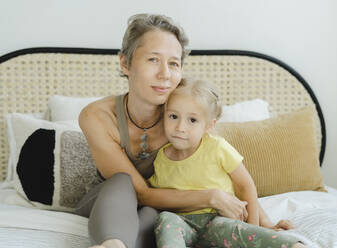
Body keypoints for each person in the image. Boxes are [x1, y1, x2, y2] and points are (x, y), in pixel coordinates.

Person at [75, 13, 295, 248]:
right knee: (122, 182)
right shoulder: (98, 116)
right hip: (112, 202)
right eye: (153, 60)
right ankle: (111, 243)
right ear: (125, 63)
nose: (165, 74)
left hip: (163, 207)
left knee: (156, 216)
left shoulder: (184, 115)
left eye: (173, 63)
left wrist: (264, 223)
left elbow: (227, 172)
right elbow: (140, 191)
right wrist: (210, 197)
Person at [148, 78, 305, 248]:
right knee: (165, 218)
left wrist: (256, 227)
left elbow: (245, 186)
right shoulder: (159, 159)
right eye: (173, 116)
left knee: (236, 230)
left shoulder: (217, 148)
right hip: (182, 224)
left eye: (192, 120)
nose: (180, 127)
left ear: (209, 125)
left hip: (218, 220)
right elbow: (157, 197)